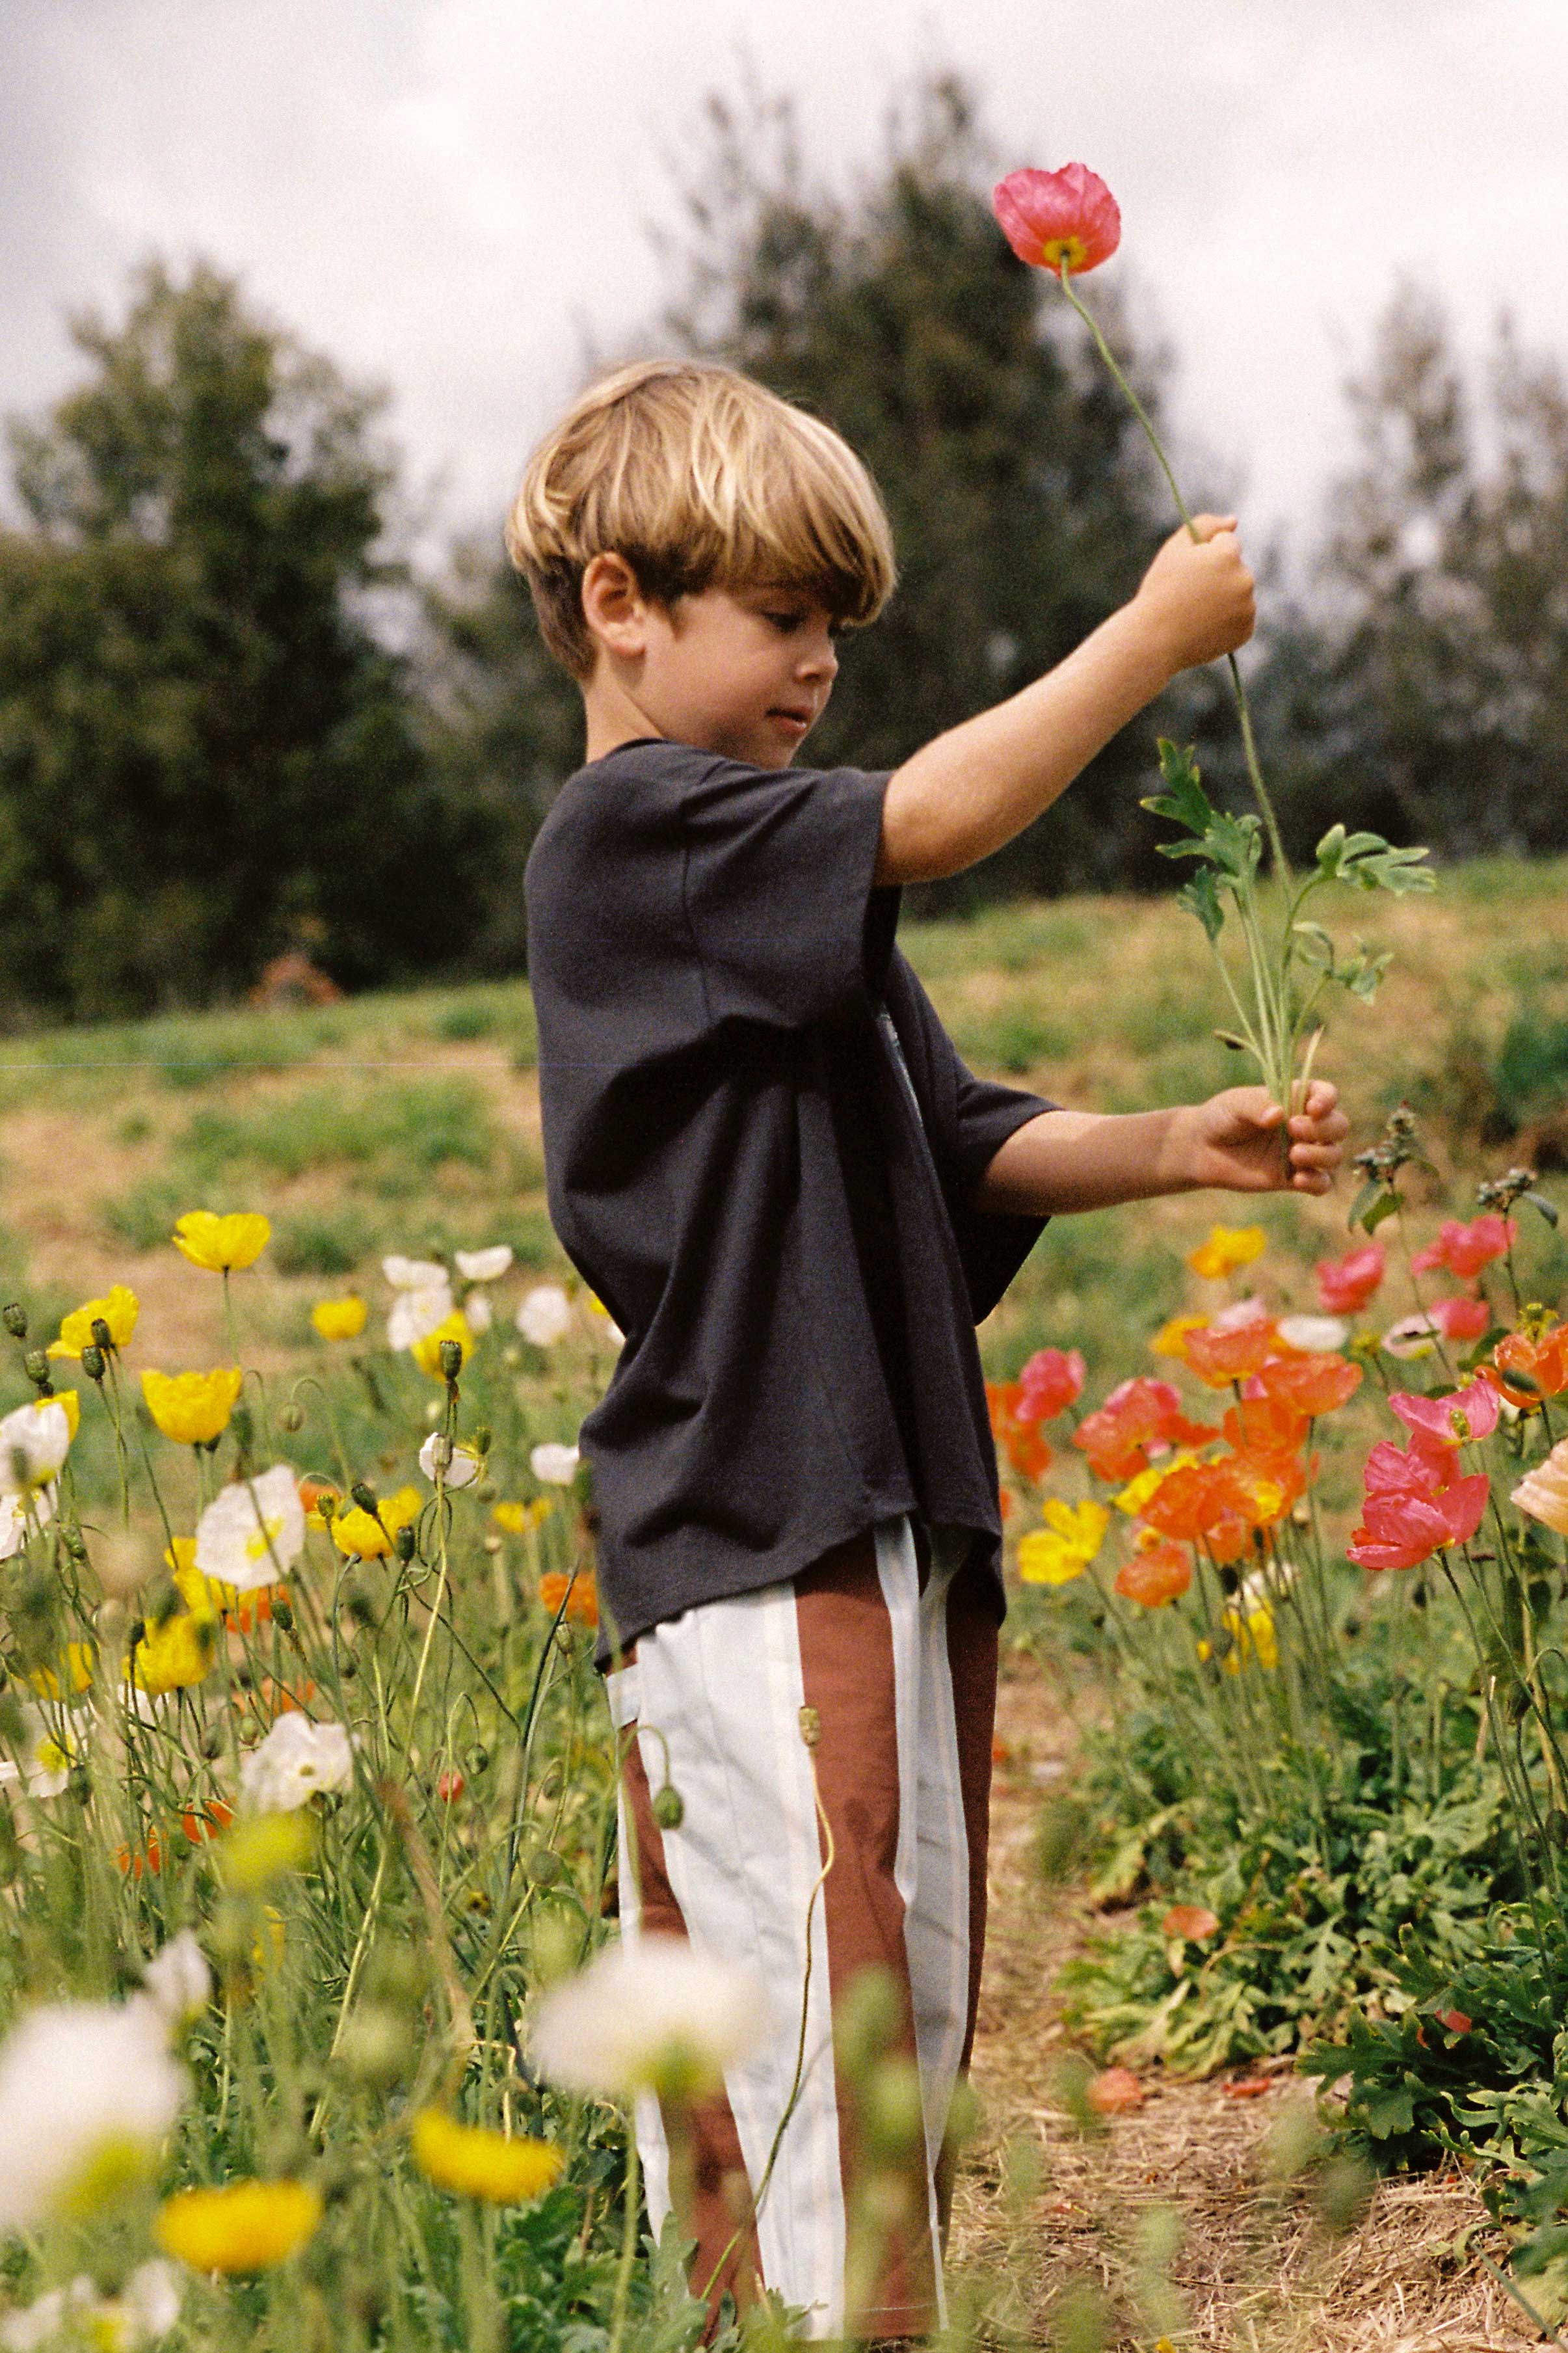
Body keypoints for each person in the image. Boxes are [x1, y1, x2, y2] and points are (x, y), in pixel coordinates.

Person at [514, 358, 1346, 2344]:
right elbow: (944, 815)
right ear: (623, 601)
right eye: (784, 618)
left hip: (873, 1499)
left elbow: (954, 1132)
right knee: (810, 2008)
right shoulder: (633, 836)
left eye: (833, 630)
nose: (819, 666)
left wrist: (1174, 1145)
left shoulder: (765, 889)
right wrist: (1146, 639)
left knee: (894, 1994)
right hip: (754, 1512)